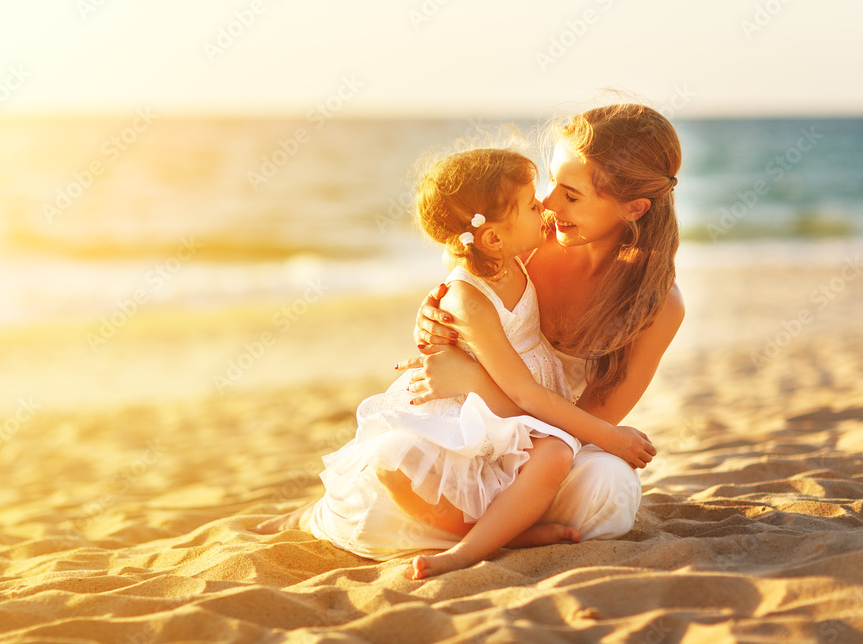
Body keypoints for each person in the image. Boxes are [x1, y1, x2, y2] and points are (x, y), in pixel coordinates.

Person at [255, 136, 660, 579]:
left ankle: (498, 531)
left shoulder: (516, 253)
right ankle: (471, 546)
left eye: (563, 195)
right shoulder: (474, 293)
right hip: (478, 406)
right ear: (492, 237)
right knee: (398, 466)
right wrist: (610, 436)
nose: (544, 208)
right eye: (530, 204)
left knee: (560, 458)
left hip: (519, 402)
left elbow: (525, 388)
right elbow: (521, 389)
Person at [399, 103, 685, 553]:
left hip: (552, 444)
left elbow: (589, 427)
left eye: (571, 195)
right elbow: (466, 289)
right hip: (485, 428)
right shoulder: (525, 242)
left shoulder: (657, 307)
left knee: (609, 490)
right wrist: (433, 313)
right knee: (404, 459)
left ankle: (494, 522)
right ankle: (496, 524)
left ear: (634, 208)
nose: (549, 202)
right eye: (552, 182)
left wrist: (475, 382)